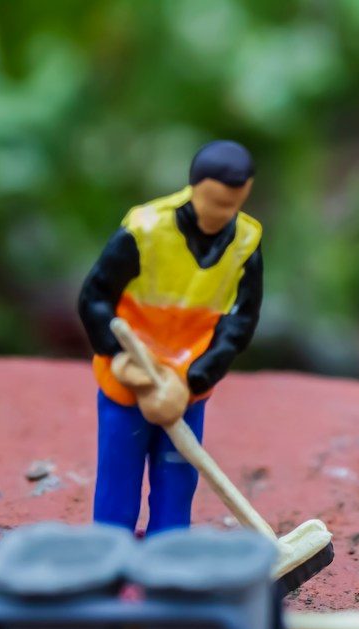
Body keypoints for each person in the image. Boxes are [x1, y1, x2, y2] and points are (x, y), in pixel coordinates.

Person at [78, 140, 263, 534]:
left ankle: (169, 561)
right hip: (129, 382)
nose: (221, 214)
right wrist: (117, 355)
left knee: (177, 480)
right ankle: (111, 555)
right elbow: (95, 298)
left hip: (184, 390)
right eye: (213, 202)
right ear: (194, 187)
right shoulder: (145, 229)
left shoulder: (245, 243)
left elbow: (239, 324)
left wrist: (195, 377)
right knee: (119, 475)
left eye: (232, 204)